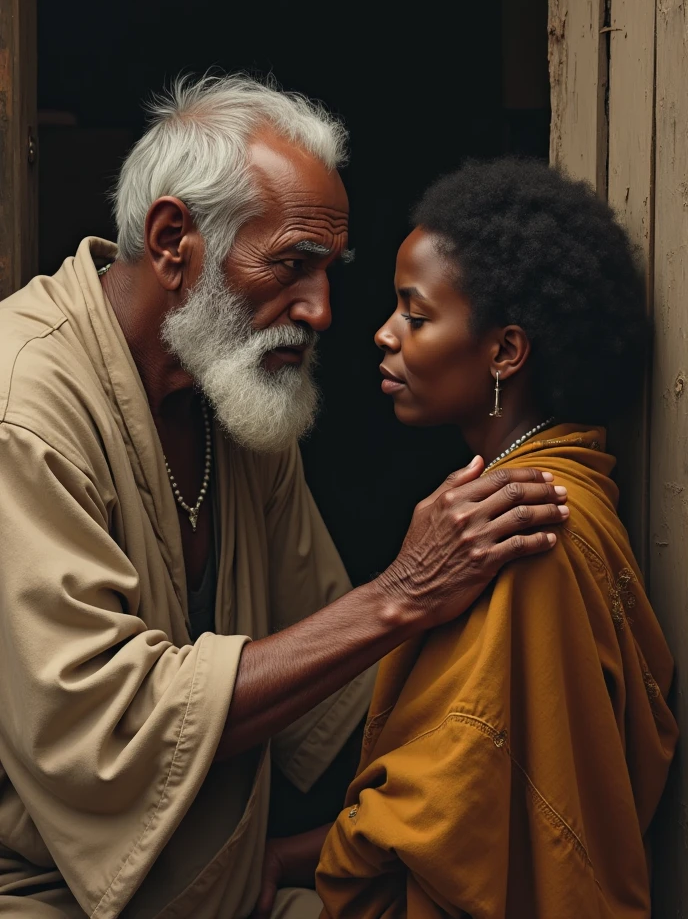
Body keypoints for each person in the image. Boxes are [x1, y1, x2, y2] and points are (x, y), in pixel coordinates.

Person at [0, 79, 568, 919]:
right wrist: (404, 594)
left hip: (229, 889)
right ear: (171, 242)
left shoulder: (231, 395)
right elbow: (108, 734)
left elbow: (338, 697)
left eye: (329, 271)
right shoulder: (23, 409)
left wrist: (520, 683)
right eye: (292, 264)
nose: (323, 309)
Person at [316, 158, 678, 919]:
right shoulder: (552, 486)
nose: (383, 335)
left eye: (415, 316)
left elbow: (446, 819)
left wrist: (341, 846)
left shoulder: (525, 528)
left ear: (506, 352)